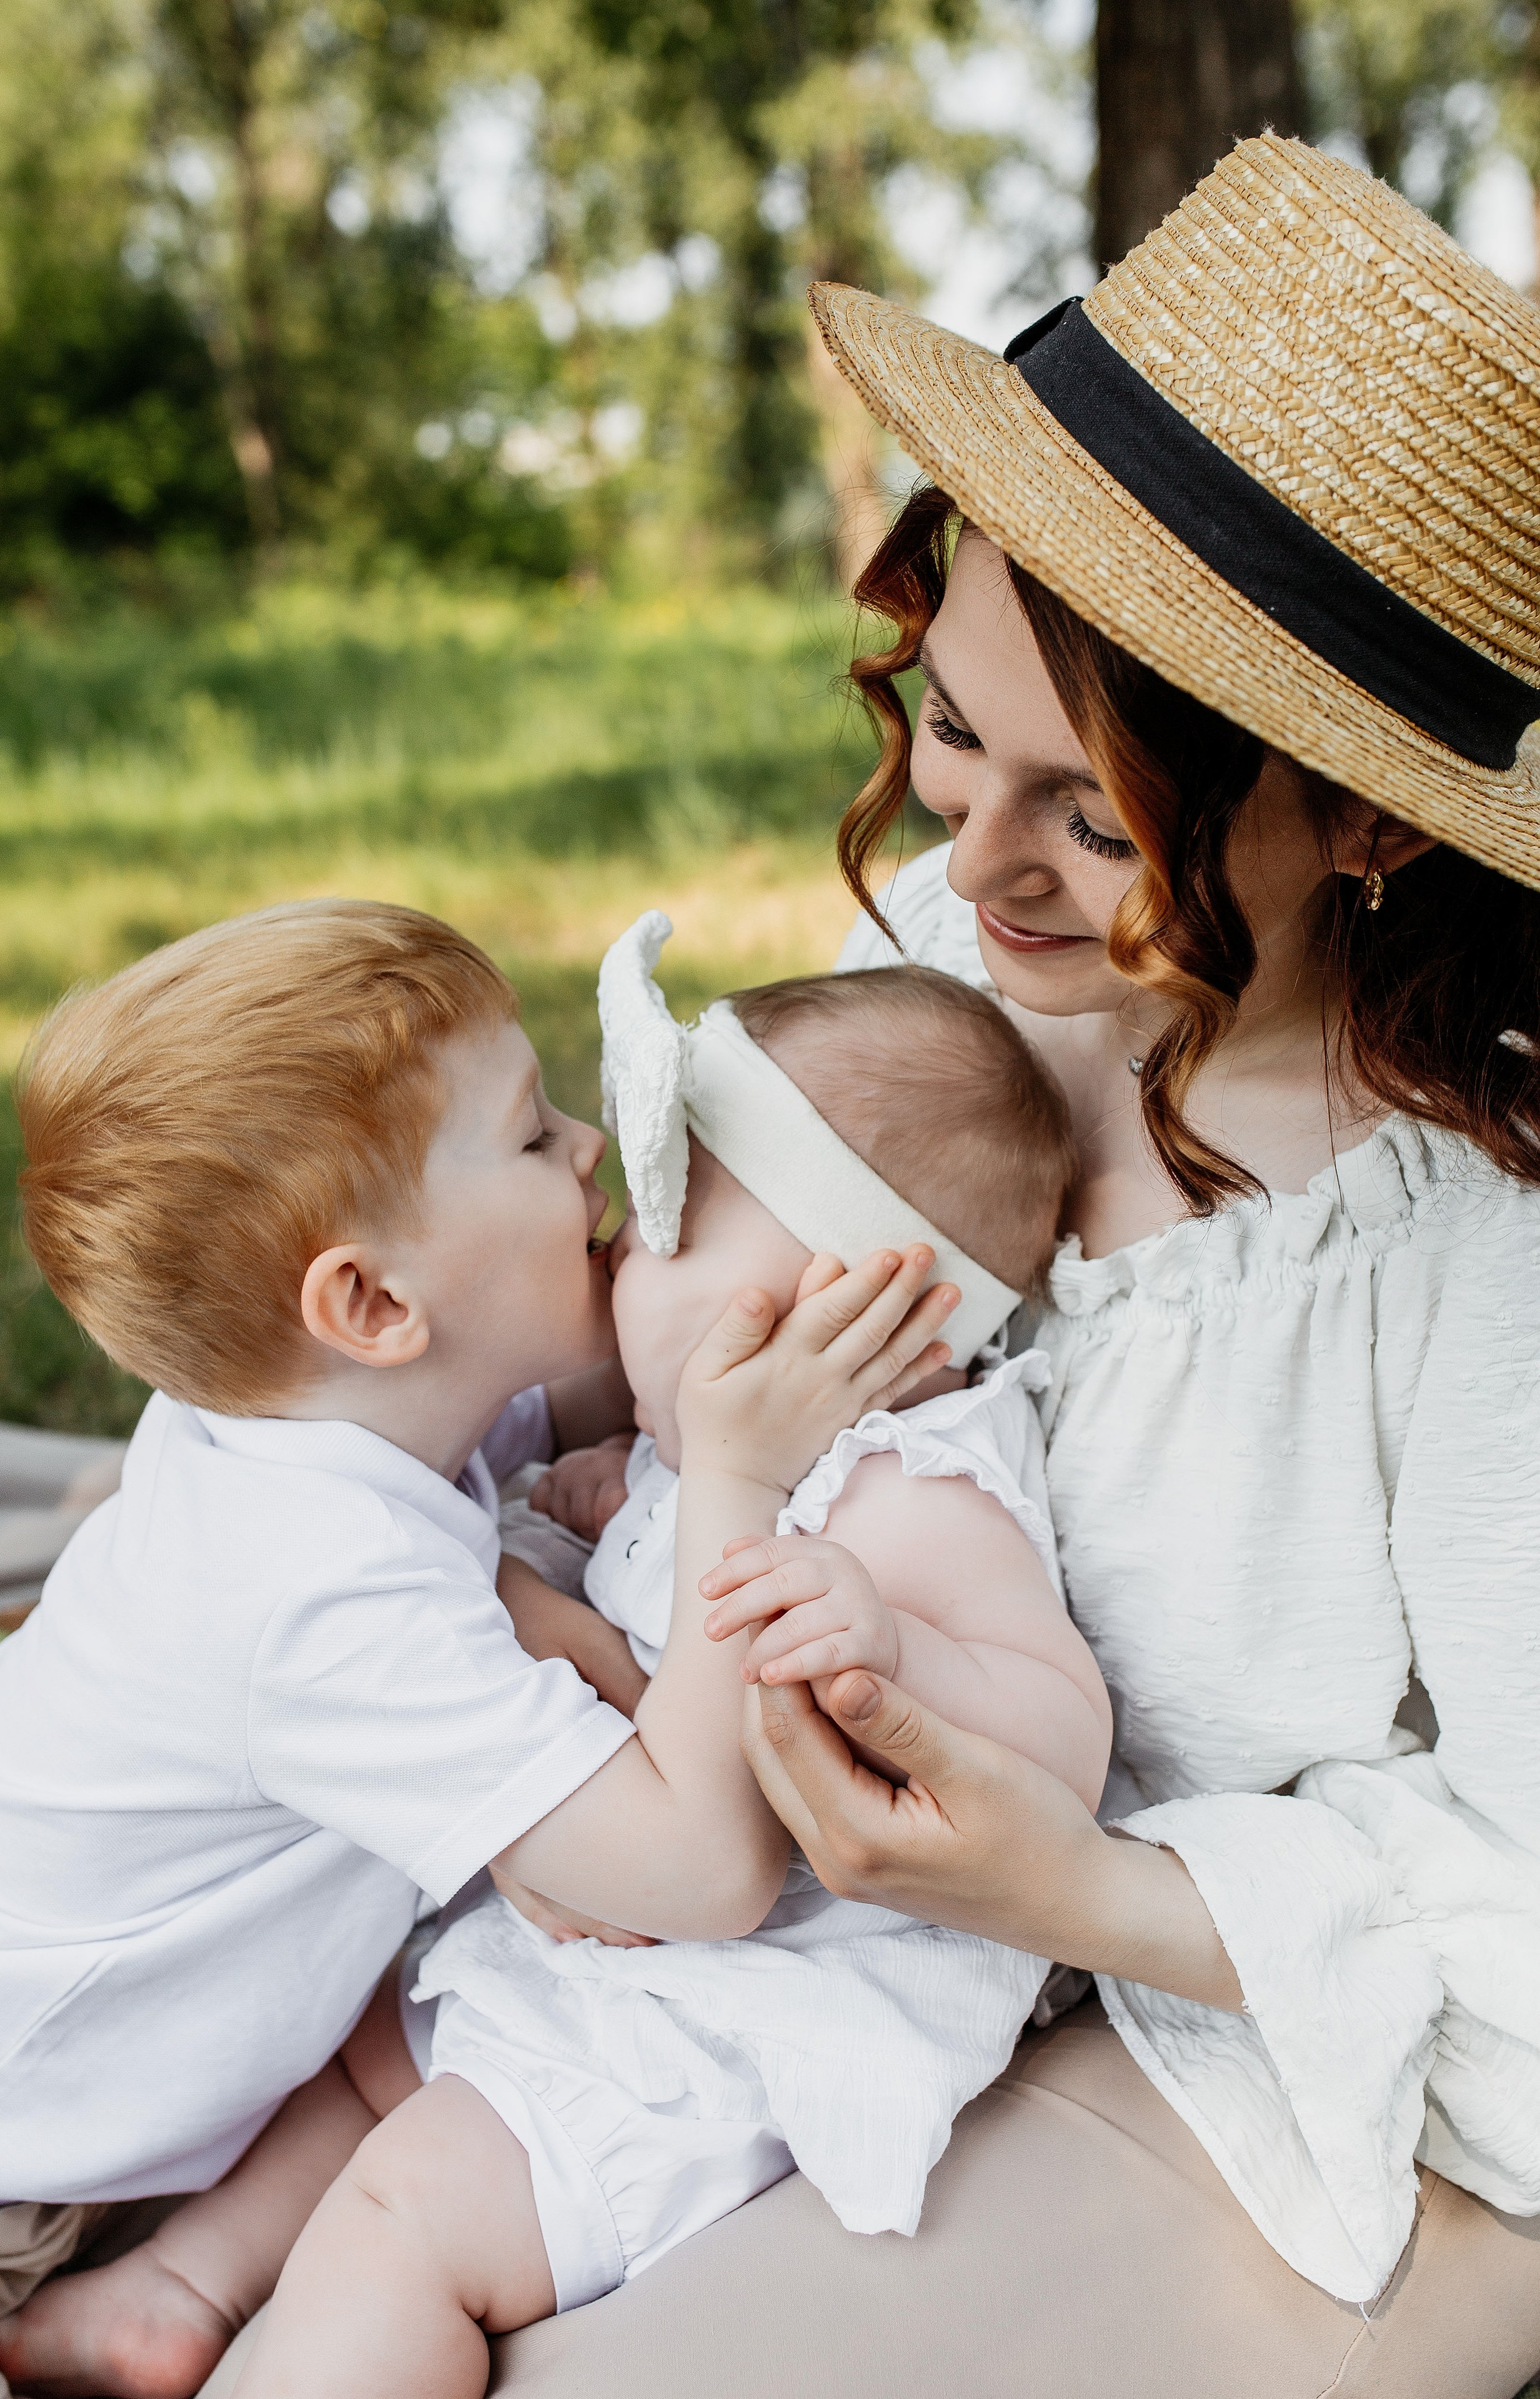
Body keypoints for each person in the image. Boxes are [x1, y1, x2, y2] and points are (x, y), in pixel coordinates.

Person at [459, 133, 1540, 2399]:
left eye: (1095, 816)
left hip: (1273, 2057)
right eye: (953, 732)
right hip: (803, 1923)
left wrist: (1059, 1891)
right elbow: (672, 1321)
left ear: (1367, 821)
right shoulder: (955, 970)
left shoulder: (1470, 1244)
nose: (968, 861)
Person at [0, 897, 953, 2399]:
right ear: (368, 1302)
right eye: (532, 1136)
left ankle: (162, 2299)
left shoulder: (312, 1415)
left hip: (76, 2113)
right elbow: (700, 1875)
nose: (587, 1146)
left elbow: (550, 1409)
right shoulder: (314, 1598)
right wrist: (732, 1484)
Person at [205, 926, 1107, 2399]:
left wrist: (900, 1651)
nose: (621, 1236)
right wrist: (606, 1502)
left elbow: (1063, 1745)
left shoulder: (906, 1490)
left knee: (406, 2211)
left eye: (673, 1221)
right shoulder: (706, 1451)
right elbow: (660, 1575)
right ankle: (189, 2279)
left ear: (855, 1307)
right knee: (351, 2048)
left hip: (736, 2015)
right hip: (601, 1949)